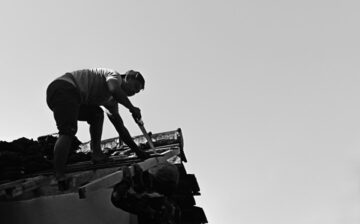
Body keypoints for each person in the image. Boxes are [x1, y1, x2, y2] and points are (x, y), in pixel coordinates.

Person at [46, 68, 150, 185]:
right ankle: (59, 174)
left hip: (71, 97)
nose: (134, 92)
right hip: (64, 88)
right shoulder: (114, 76)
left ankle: (96, 154)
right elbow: (114, 89)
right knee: (67, 132)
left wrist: (138, 151)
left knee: (96, 114)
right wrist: (132, 108)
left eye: (137, 92)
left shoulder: (111, 101)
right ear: (128, 77)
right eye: (135, 87)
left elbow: (120, 128)